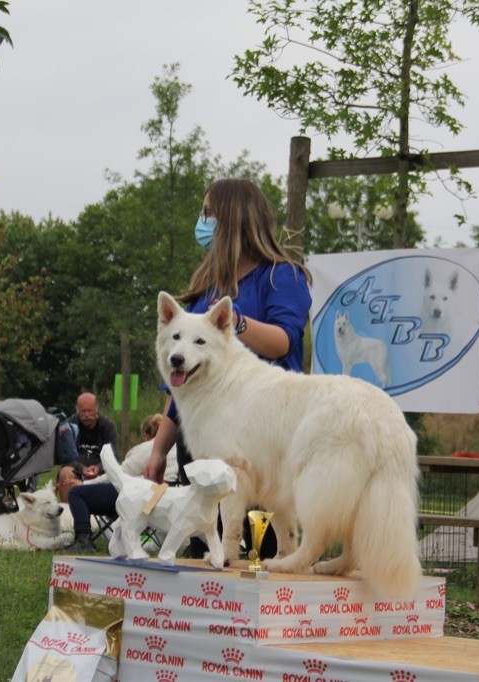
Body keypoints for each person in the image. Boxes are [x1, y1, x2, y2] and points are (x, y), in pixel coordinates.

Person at [144, 178, 312, 558]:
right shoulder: (208, 287)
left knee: (258, 558)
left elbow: (284, 341)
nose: (203, 223)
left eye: (208, 213)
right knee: (205, 550)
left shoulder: (281, 276)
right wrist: (158, 450)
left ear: (233, 219)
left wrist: (234, 323)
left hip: (261, 448)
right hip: (201, 446)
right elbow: (181, 386)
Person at [66, 413, 178, 551]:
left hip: (141, 499)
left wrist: (85, 484)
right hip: (166, 500)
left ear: (147, 435)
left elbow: (119, 474)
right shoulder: (181, 448)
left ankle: (84, 540)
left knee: (77, 493)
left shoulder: (151, 447)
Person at [55, 392, 119, 501]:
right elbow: (65, 457)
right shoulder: (69, 425)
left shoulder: (108, 427)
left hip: (101, 471)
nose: (87, 415)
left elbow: (114, 457)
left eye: (90, 410)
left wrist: (98, 468)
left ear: (96, 408)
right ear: (77, 410)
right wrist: (82, 468)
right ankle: (68, 514)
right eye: (83, 411)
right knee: (65, 474)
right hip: (76, 469)